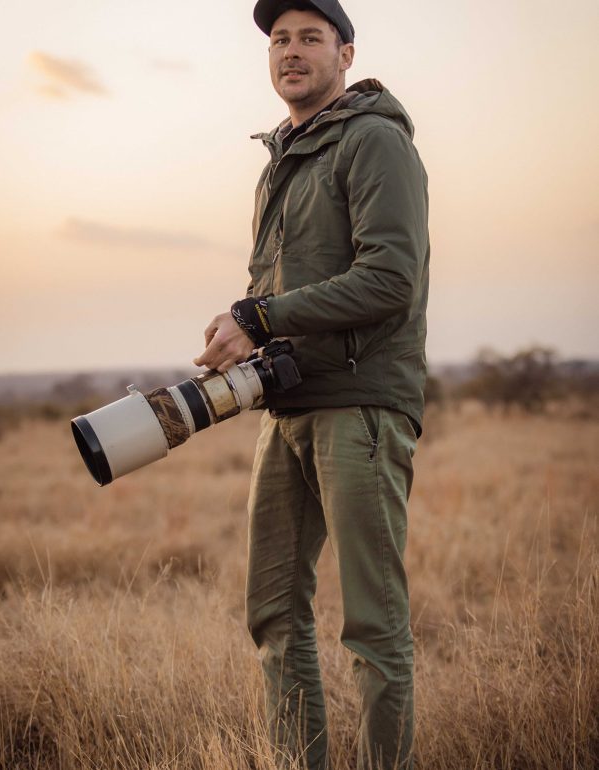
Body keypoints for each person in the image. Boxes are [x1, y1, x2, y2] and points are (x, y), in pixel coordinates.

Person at [194, 0, 429, 767]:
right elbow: (278, 286)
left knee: (372, 626)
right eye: (280, 39)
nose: (290, 51)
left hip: (359, 405)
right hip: (286, 405)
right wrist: (245, 340)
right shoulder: (283, 157)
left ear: (346, 54)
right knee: (273, 615)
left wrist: (260, 315)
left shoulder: (374, 140)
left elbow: (390, 278)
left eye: (310, 38)